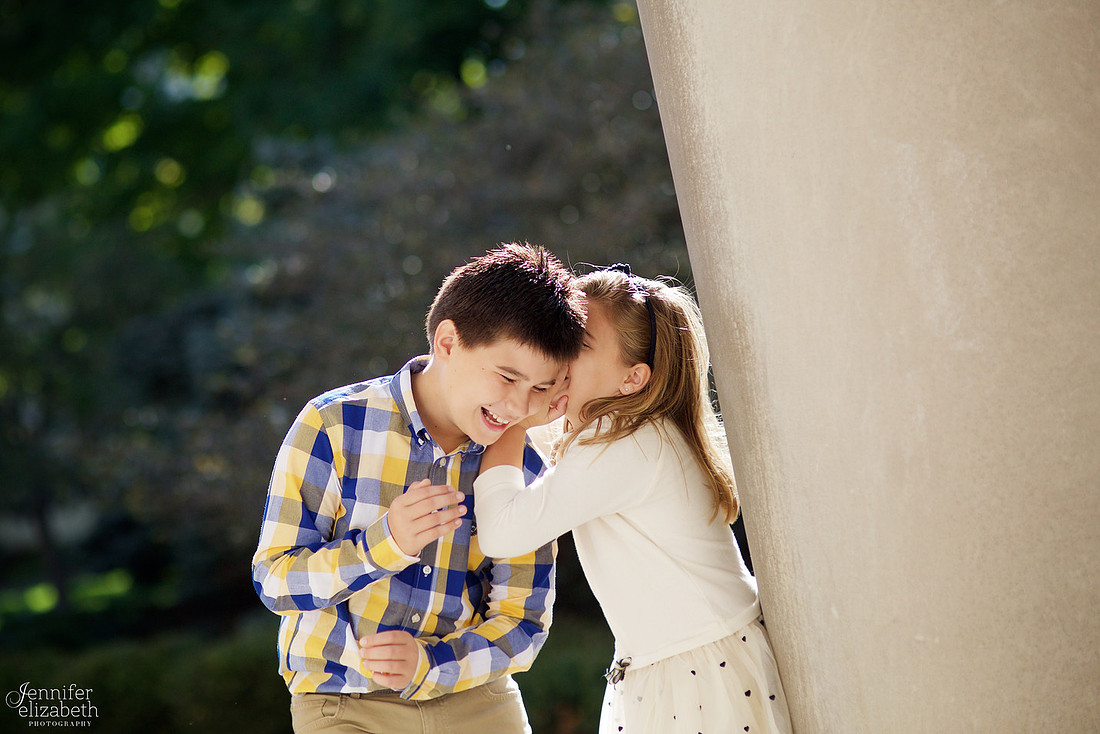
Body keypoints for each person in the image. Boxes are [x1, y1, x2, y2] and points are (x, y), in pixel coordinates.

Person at [251, 243, 587, 733]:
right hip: (344, 702)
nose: (518, 406)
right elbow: (275, 579)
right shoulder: (334, 424)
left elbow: (524, 620)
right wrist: (384, 546)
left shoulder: (524, 464)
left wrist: (432, 666)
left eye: (539, 389)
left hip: (475, 701)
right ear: (448, 343)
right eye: (507, 376)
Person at [472, 265, 793, 733]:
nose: (557, 355)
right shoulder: (630, 433)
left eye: (577, 345)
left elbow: (503, 531)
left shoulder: (620, 441)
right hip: (691, 658)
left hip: (696, 670)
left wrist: (514, 416)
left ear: (632, 379)